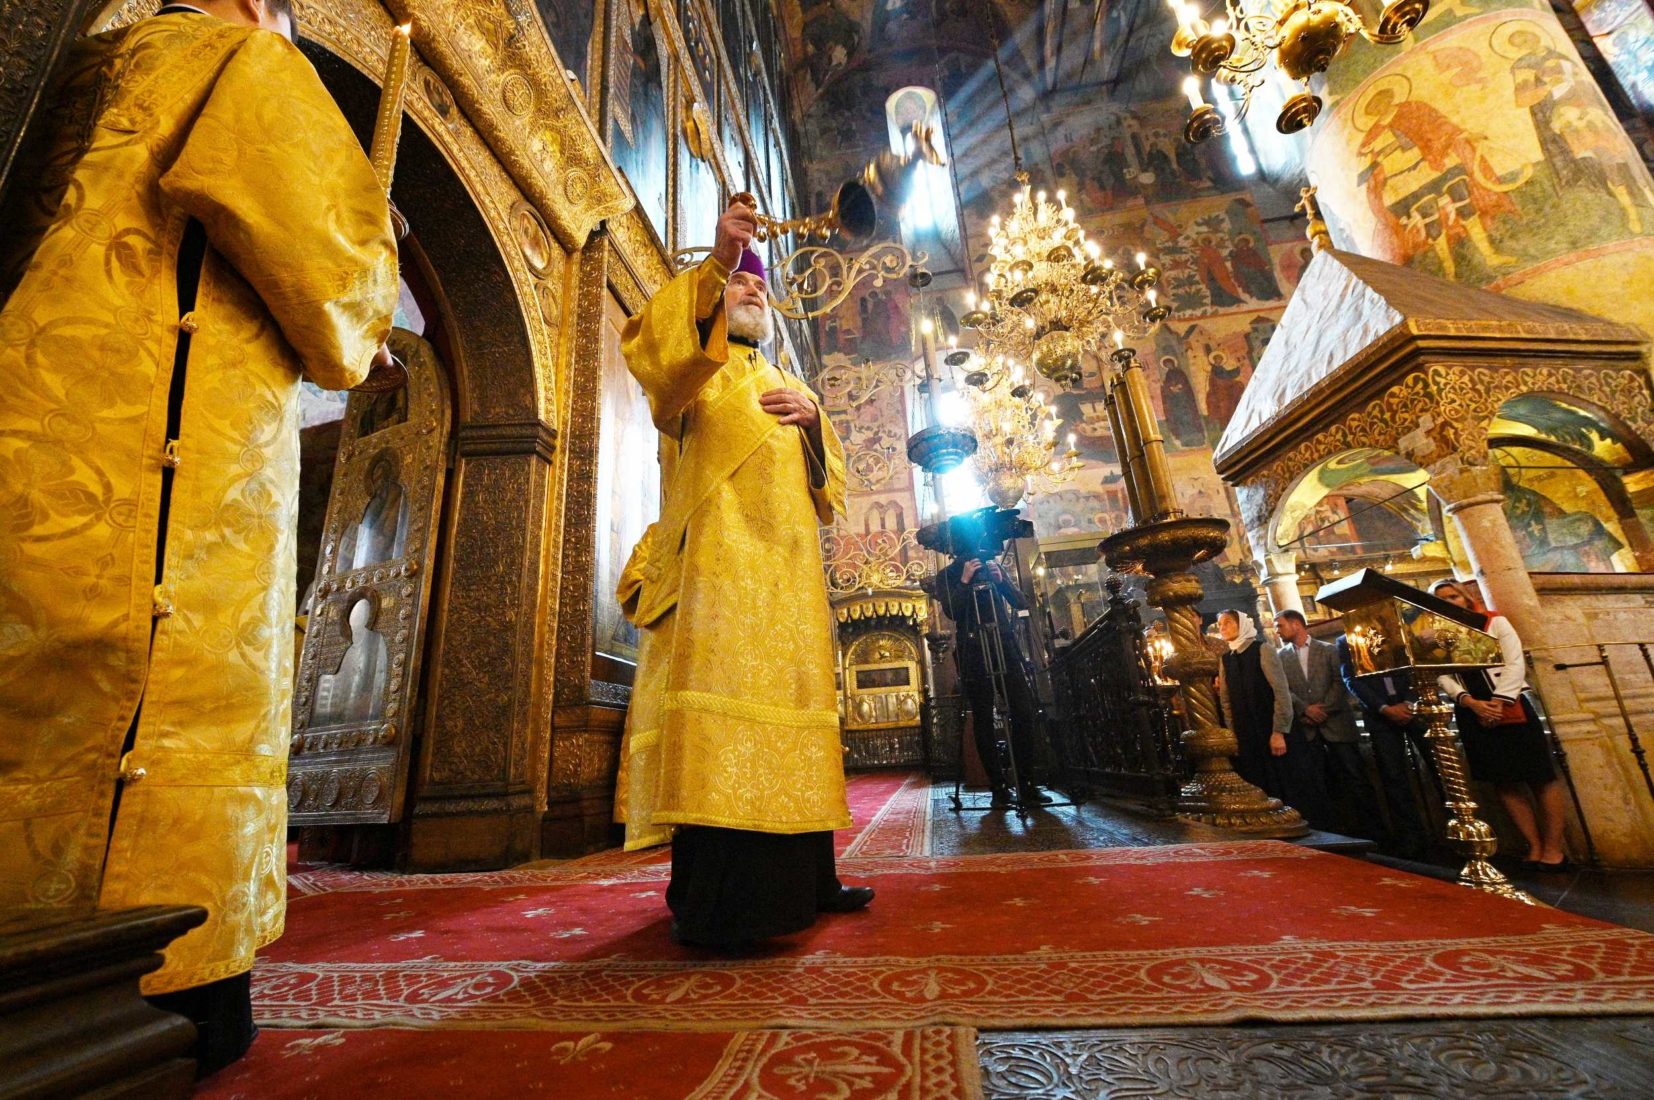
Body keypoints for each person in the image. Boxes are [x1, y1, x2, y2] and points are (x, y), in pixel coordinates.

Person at [0, 0, 399, 1074]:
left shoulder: (93, 62)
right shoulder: (244, 59)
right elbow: (334, 297)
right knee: (163, 689)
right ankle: (169, 987)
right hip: (173, 445)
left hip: (46, 407)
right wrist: (372, 242)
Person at [613, 200, 871, 949]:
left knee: (798, 728)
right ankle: (720, 904)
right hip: (721, 585)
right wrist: (721, 263)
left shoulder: (796, 386)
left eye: (759, 290)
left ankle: (812, 882)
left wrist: (815, 424)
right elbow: (655, 350)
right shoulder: (696, 379)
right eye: (739, 289)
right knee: (725, 732)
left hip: (788, 588)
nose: (753, 292)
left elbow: (833, 496)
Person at [1430, 579, 1572, 871]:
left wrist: (1497, 702)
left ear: (1466, 598)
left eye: (1453, 596)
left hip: (1509, 703)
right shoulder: (1437, 635)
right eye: (1441, 599)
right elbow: (1441, 673)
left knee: (1539, 776)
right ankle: (1532, 845)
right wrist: (1468, 701)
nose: (1449, 602)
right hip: (1471, 709)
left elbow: (1515, 661)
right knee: (1503, 780)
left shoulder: (1495, 622)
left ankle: (1553, 848)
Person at [937, 554, 1051, 809]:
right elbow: (952, 612)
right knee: (983, 717)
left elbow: (1021, 603)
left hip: (1004, 644)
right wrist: (965, 580)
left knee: (1023, 709)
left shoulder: (993, 567)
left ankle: (1027, 783)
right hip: (973, 649)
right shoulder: (947, 574)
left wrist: (1002, 583)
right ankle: (998, 787)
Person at [1217, 609, 1330, 826]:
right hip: (1247, 733)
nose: (1222, 628)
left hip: (1271, 728)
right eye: (1220, 624)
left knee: (1289, 783)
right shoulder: (1226, 659)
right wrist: (1233, 734)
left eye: (1228, 623)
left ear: (1242, 624)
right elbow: (1226, 702)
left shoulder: (1262, 649)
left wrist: (1279, 731)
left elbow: (1281, 692)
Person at [1275, 610, 1374, 837]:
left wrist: (1324, 709)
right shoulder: (1281, 657)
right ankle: (1331, 829)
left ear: (1296, 624)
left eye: (1280, 626)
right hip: (1307, 729)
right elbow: (1284, 689)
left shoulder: (1328, 650)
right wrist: (1305, 709)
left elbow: (1341, 682)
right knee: (1318, 782)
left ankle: (1369, 829)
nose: (1277, 631)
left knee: (1354, 777)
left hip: (1337, 725)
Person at [1336, 634, 1435, 859]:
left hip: (1416, 709)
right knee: (1393, 777)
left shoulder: (1396, 629)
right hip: (1379, 716)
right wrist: (1383, 708)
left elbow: (1415, 667)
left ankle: (1455, 828)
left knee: (1438, 767)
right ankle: (1411, 837)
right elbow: (1351, 679)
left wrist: (1410, 701)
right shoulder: (1346, 640)